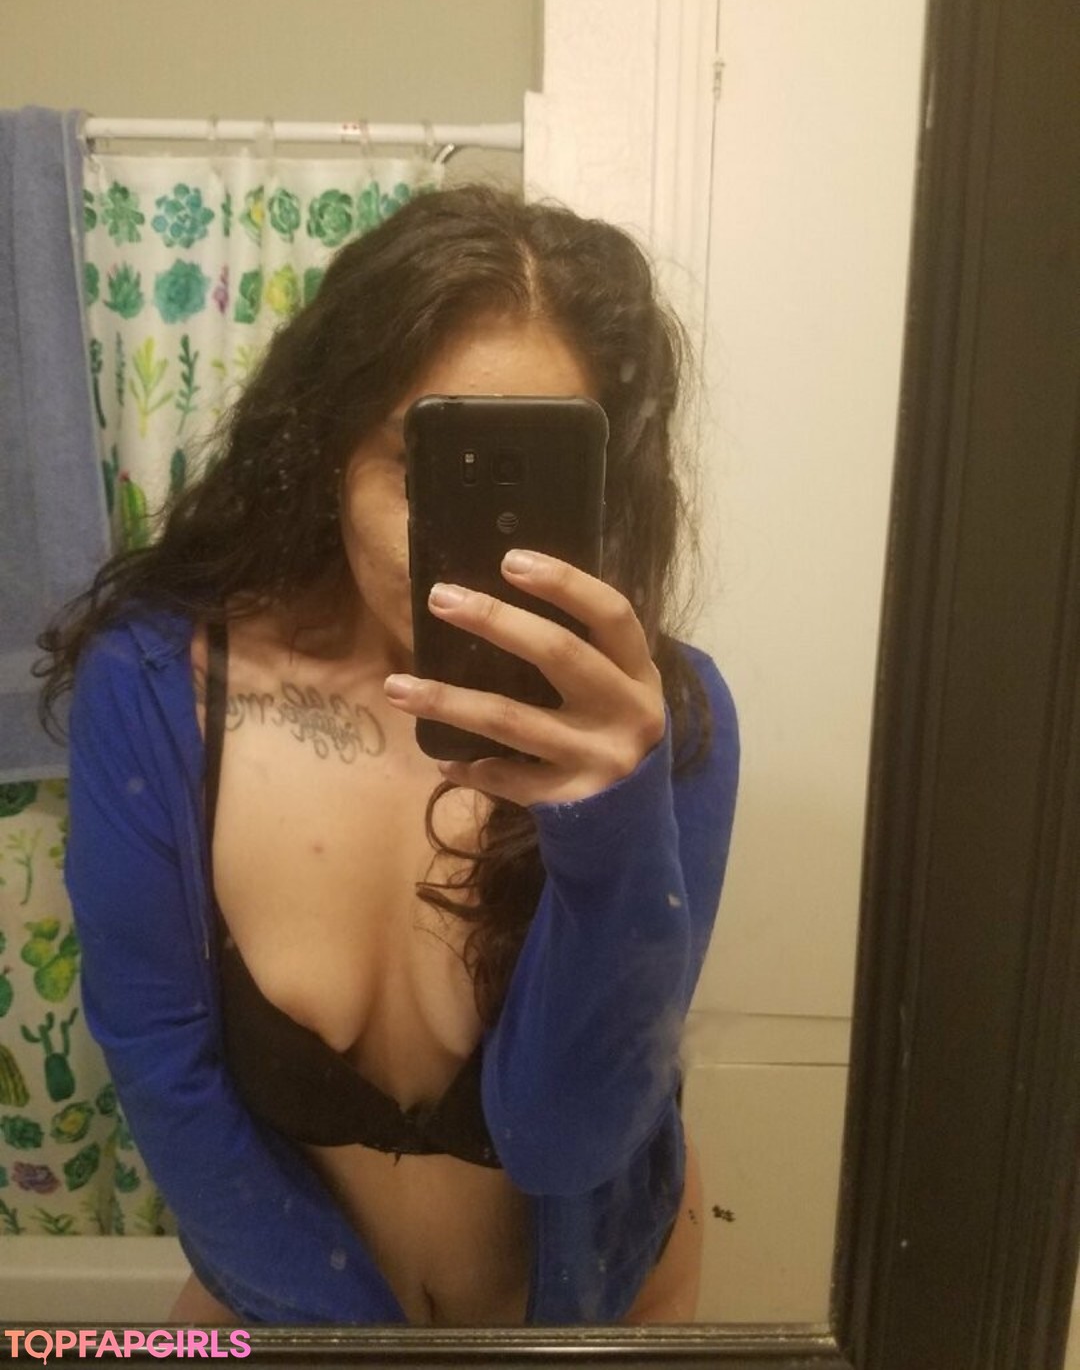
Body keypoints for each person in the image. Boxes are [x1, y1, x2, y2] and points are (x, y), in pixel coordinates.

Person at [37, 184, 739, 1327]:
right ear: (331, 452)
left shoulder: (665, 720)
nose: (472, 557)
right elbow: (167, 1079)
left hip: (599, 1303)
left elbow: (568, 1136)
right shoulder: (163, 687)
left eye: (538, 478)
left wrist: (609, 821)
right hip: (281, 1309)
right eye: (425, 470)